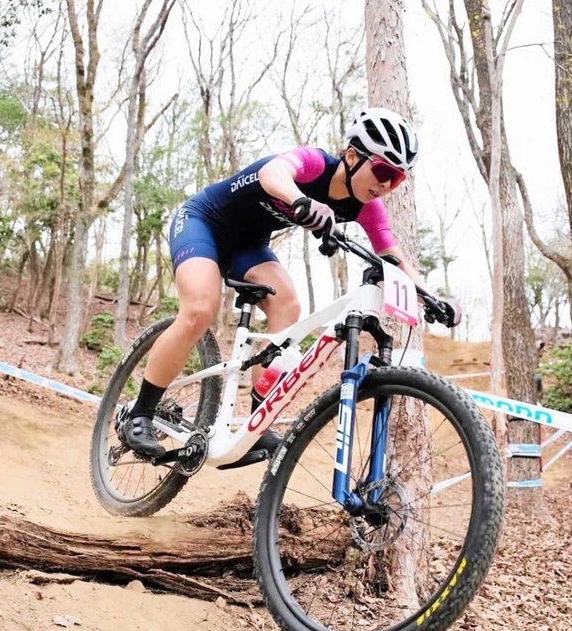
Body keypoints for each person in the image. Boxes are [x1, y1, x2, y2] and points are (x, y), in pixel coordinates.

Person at [120, 106, 463, 466]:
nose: (386, 185)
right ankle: (140, 413)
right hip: (202, 223)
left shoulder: (367, 207)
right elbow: (273, 172)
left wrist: (432, 297)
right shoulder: (316, 163)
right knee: (200, 309)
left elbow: (393, 256)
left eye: (398, 179)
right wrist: (303, 200)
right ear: (351, 156)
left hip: (248, 245)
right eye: (382, 171)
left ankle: (255, 422)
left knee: (288, 305)